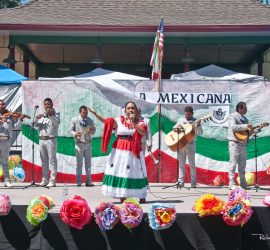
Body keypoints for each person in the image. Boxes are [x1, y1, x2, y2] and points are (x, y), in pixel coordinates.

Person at [89, 101, 148, 203]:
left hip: (133, 150)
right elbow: (106, 122)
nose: (130, 110)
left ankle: (140, 195)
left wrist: (133, 122)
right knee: (121, 171)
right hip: (119, 150)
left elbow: (142, 131)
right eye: (128, 108)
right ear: (125, 110)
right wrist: (95, 114)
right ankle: (122, 194)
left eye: (132, 108)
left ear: (136, 110)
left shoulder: (140, 122)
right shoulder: (119, 121)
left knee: (135, 172)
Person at [0, 99, 28, 187]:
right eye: (1, 104)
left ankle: (7, 181)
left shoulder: (9, 116)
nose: (3, 106)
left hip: (6, 141)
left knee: (5, 162)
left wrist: (21, 119)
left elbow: (15, 127)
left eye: (4, 104)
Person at [173, 106, 203, 188]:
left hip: (191, 144)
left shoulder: (196, 121)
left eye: (189, 114)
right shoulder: (181, 120)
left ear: (192, 113)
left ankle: (193, 182)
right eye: (186, 114)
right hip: (181, 145)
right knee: (181, 164)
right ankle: (180, 182)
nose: (187, 116)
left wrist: (199, 125)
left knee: (192, 164)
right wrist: (181, 129)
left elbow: (200, 133)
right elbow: (174, 128)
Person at [34, 98, 60, 187]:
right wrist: (36, 118)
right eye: (45, 104)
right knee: (44, 161)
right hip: (41, 139)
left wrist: (51, 115)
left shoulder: (56, 114)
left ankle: (52, 180)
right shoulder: (42, 115)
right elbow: (36, 125)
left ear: (52, 104)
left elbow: (56, 124)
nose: (47, 106)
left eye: (48, 104)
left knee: (52, 160)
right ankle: (44, 179)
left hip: (51, 139)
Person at [228, 102, 253, 190]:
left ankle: (243, 183)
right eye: (245, 108)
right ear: (240, 109)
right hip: (234, 143)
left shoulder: (245, 119)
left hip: (243, 144)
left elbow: (247, 133)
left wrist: (256, 130)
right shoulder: (232, 116)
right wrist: (246, 126)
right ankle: (231, 183)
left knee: (242, 165)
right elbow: (233, 127)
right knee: (233, 163)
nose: (246, 110)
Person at [69, 106, 96, 186]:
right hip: (79, 143)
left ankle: (88, 181)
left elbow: (94, 130)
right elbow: (70, 130)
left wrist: (92, 130)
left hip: (88, 143)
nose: (85, 114)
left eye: (86, 112)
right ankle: (79, 181)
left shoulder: (90, 120)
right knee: (79, 164)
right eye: (84, 112)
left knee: (88, 164)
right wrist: (75, 134)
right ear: (80, 112)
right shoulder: (75, 120)